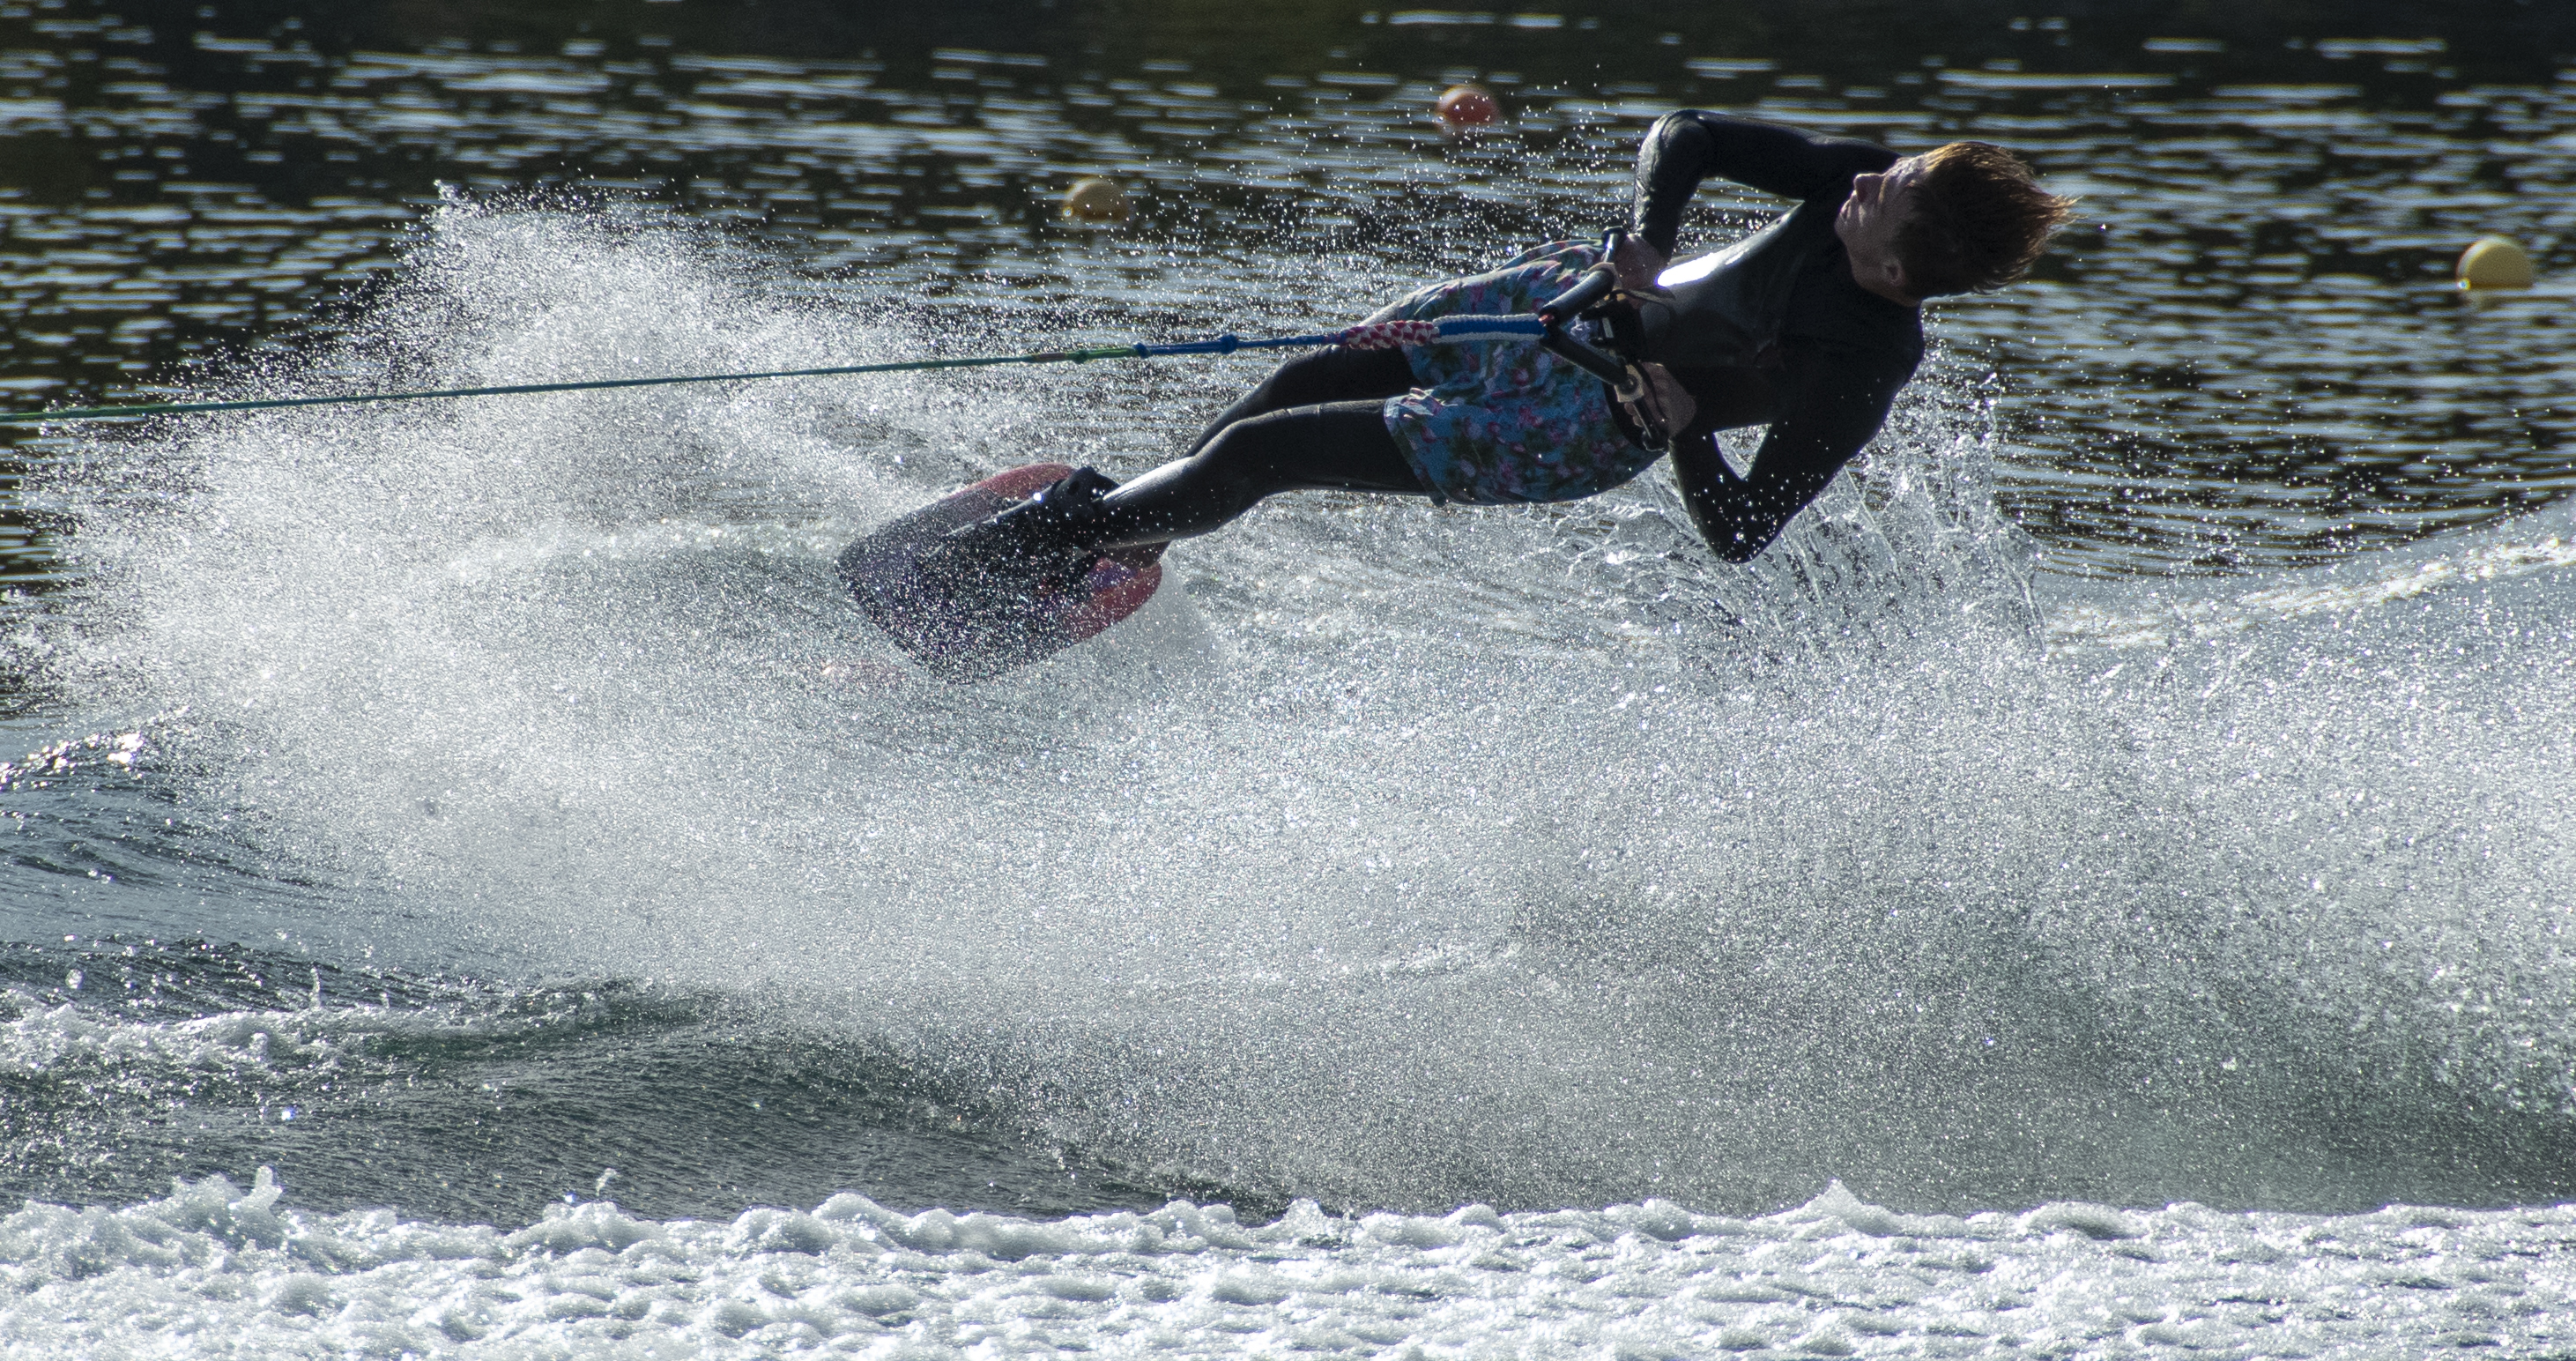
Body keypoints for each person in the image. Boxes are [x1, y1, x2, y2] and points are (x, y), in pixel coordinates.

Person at [921, 112, 2075, 599]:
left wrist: (1681, 433)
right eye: (1891, 169)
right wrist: (1648, 240)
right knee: (1301, 383)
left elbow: (1743, 532)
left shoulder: (1856, 370)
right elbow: (1686, 134)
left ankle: (1006, 563)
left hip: (1571, 425)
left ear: (1900, 265)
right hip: (1559, 303)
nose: (1868, 176)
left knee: (1267, 454)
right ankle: (1132, 530)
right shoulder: (1847, 188)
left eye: (1890, 192)